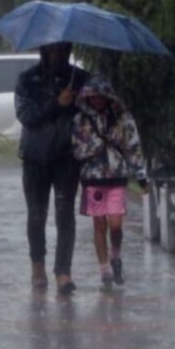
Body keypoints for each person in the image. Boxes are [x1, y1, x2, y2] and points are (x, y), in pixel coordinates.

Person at [15, 42, 90, 295]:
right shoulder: (27, 80)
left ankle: (63, 271)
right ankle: (37, 265)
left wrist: (80, 103)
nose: (57, 54)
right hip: (35, 157)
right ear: (44, 51)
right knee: (37, 214)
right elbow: (27, 115)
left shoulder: (80, 79)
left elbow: (93, 114)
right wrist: (57, 103)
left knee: (64, 212)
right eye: (52, 49)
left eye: (61, 49)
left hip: (67, 157)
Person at [71, 74, 148, 290]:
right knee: (98, 225)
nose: (97, 100)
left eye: (101, 96)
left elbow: (133, 147)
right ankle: (104, 270)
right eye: (93, 96)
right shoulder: (80, 121)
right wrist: (95, 146)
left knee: (115, 225)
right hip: (93, 179)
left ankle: (116, 256)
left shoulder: (122, 118)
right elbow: (76, 150)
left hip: (117, 177)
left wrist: (141, 176)